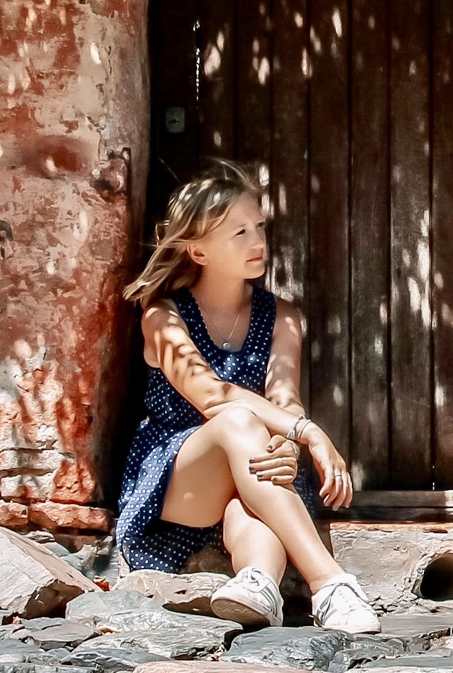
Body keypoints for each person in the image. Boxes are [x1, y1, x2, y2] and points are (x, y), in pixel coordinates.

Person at [116, 159, 381, 633]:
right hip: (179, 474)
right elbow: (213, 397)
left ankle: (258, 583)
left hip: (251, 469)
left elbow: (285, 398)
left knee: (252, 488)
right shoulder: (162, 317)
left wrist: (286, 441)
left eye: (258, 227)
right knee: (239, 423)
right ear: (197, 251)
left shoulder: (282, 316)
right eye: (238, 233)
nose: (258, 242)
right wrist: (306, 433)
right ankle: (331, 584)